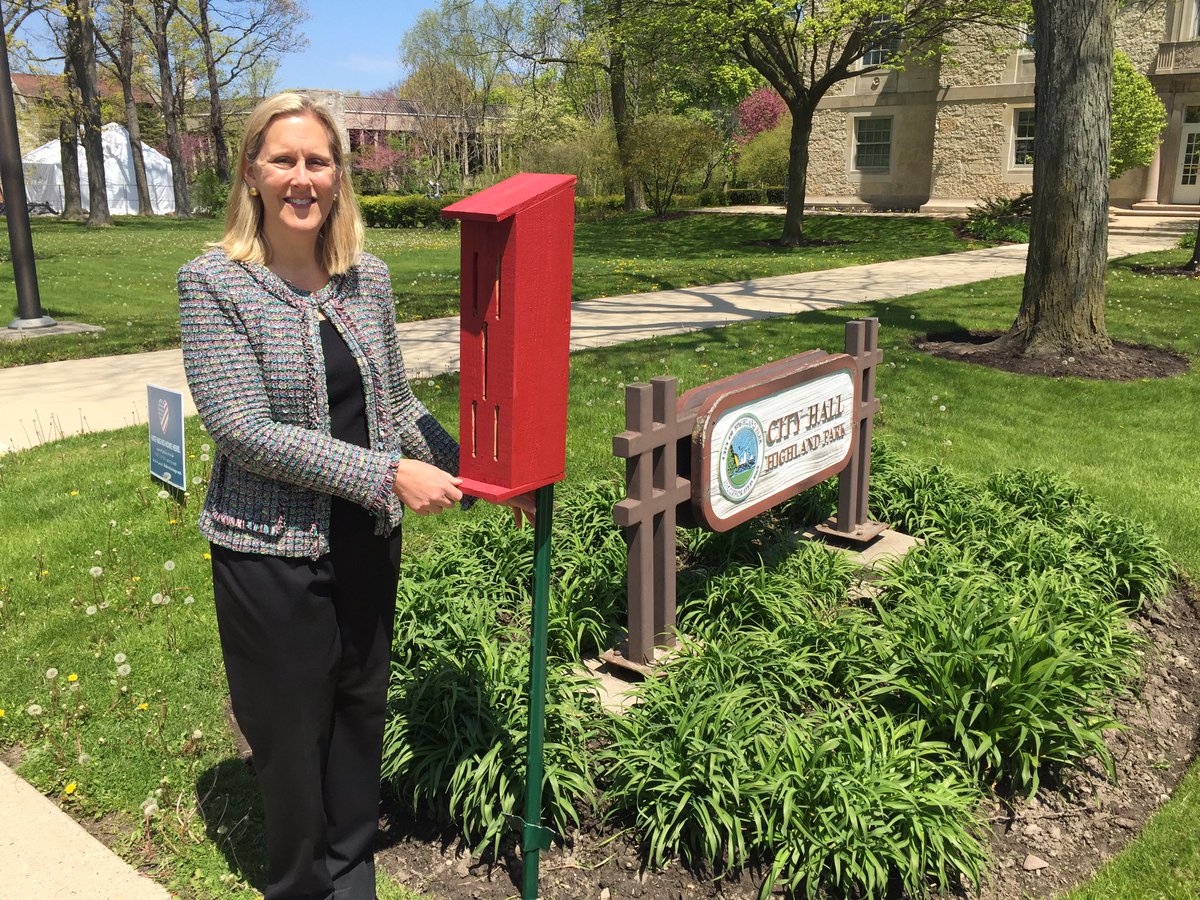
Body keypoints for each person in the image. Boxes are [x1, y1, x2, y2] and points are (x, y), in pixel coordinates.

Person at [178, 92, 531, 900]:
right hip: (269, 555)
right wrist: (384, 475)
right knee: (291, 740)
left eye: (319, 161)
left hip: (367, 540)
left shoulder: (365, 279)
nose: (303, 178)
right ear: (253, 173)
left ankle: (352, 875)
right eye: (285, 160)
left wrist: (480, 473)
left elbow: (397, 405)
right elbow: (244, 429)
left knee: (359, 717)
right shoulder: (214, 284)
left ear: (339, 176)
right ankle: (299, 886)